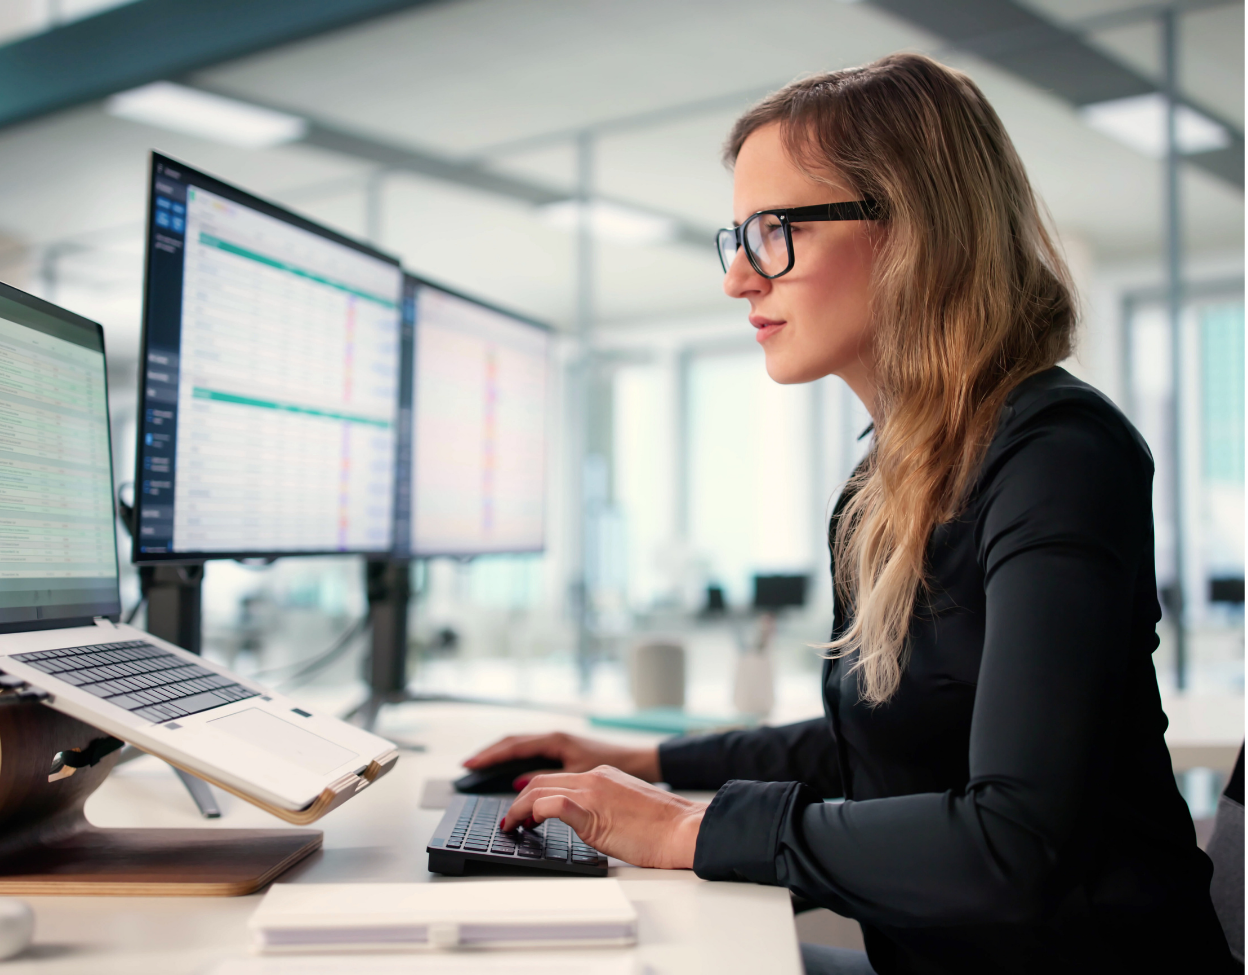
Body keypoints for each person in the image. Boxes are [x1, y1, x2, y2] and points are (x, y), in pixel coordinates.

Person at [464, 53, 1234, 975]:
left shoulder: (1058, 454)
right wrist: (640, 760)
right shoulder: (900, 468)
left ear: (915, 232)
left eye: (774, 230)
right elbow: (878, 747)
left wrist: (686, 828)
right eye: (736, 237)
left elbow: (1011, 842)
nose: (738, 279)